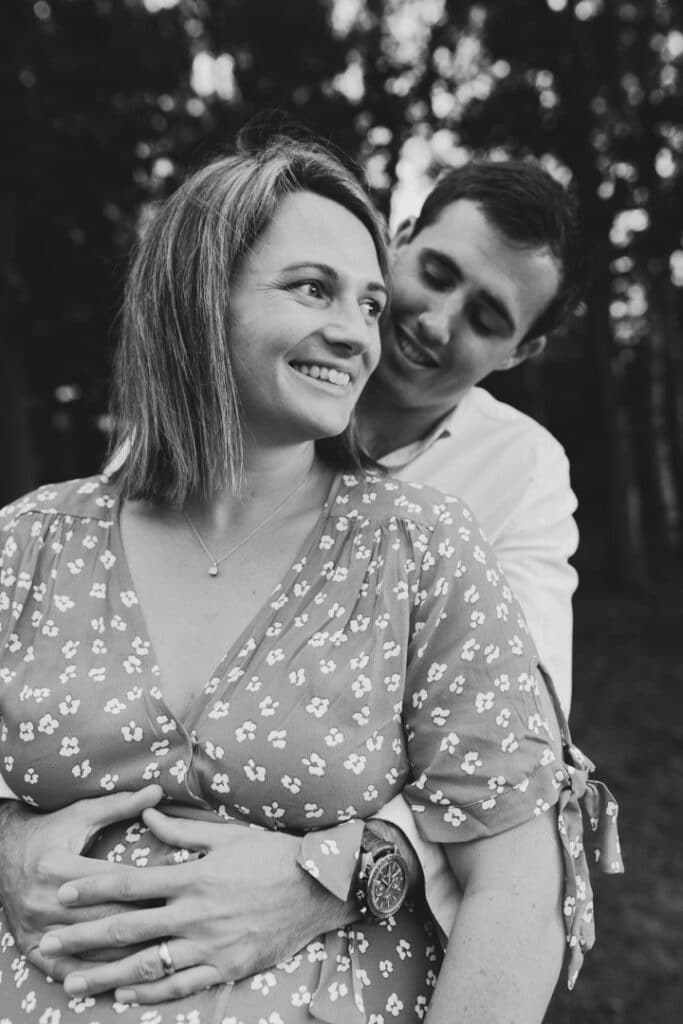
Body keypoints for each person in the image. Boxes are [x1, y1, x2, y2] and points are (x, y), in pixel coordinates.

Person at [0, 135, 620, 1022]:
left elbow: (513, 798)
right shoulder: (40, 535)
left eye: (487, 317)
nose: (421, 324)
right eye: (317, 288)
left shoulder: (479, 508)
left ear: (519, 353)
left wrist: (334, 876)